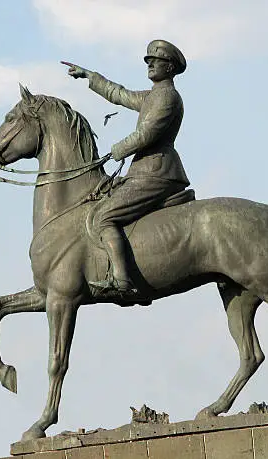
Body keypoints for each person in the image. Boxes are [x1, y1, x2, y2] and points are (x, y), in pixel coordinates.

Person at [63, 39, 190, 292]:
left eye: (158, 61)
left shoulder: (168, 97)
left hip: (157, 172)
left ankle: (121, 279)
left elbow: (147, 133)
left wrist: (116, 150)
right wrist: (90, 76)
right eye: (149, 60)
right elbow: (119, 94)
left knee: (102, 216)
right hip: (145, 170)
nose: (151, 63)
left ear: (171, 68)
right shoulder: (153, 95)